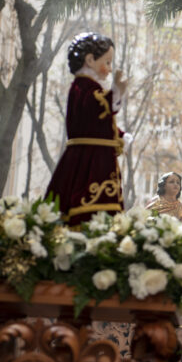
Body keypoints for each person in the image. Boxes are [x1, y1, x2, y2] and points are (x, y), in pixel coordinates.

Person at [46, 32, 126, 226]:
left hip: (94, 156)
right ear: (90, 60)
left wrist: (121, 135)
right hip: (91, 160)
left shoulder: (87, 87)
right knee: (89, 205)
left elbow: (100, 123)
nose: (108, 70)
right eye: (107, 62)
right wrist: (116, 92)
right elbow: (96, 109)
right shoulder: (84, 87)